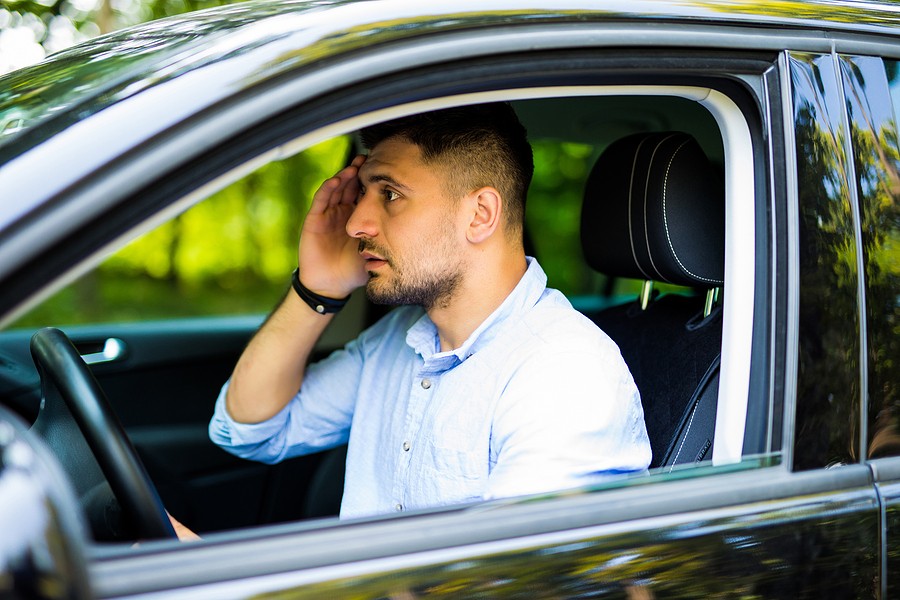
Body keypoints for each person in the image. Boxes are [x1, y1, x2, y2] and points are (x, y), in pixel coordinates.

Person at [208, 103, 651, 520]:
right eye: (363, 192)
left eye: (391, 194)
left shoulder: (564, 374)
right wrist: (316, 289)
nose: (355, 223)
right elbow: (251, 430)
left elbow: (516, 581)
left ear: (480, 215)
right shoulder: (400, 339)